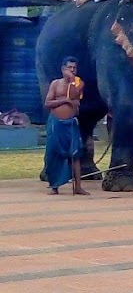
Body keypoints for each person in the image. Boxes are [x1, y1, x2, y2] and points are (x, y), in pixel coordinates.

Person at [43, 57, 87, 196]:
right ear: (63, 69)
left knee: (75, 153)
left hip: (71, 123)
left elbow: (74, 94)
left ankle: (78, 187)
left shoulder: (79, 83)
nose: (72, 70)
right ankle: (55, 186)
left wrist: (72, 80)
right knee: (53, 152)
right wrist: (65, 100)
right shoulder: (55, 84)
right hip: (56, 123)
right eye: (69, 68)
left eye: (74, 68)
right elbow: (48, 103)